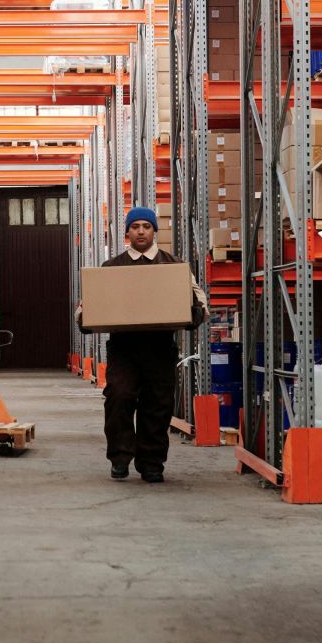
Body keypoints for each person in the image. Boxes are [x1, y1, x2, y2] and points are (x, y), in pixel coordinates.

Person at [80, 206, 206, 483]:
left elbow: (199, 303)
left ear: (154, 231)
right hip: (124, 348)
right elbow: (87, 309)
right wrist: (86, 318)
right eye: (135, 226)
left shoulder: (173, 266)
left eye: (146, 226)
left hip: (160, 347)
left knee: (157, 405)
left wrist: (189, 315)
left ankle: (152, 463)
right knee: (119, 397)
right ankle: (120, 457)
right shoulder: (111, 269)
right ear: (127, 231)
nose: (140, 231)